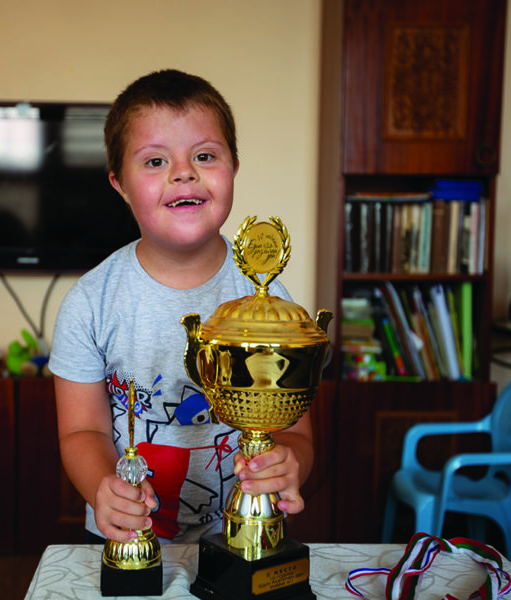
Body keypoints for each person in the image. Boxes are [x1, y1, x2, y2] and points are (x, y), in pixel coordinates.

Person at [48, 69, 315, 545]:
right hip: (129, 538)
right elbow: (81, 431)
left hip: (243, 537)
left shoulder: (270, 304)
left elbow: (295, 433)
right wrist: (102, 488)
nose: (183, 172)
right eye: (154, 161)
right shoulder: (90, 303)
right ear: (119, 184)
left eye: (205, 155)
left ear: (233, 167)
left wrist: (289, 461)